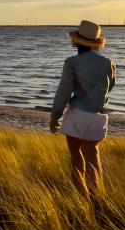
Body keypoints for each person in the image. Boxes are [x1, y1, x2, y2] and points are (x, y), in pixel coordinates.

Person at [50, 20, 116, 196]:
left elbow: (64, 91)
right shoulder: (108, 62)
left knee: (76, 157)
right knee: (93, 155)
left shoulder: (72, 62)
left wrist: (55, 116)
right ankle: (98, 195)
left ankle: (82, 197)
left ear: (75, 41)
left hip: (78, 114)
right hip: (99, 115)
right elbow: (109, 87)